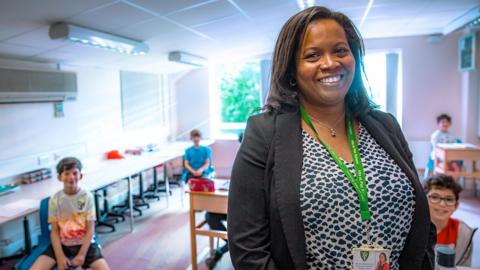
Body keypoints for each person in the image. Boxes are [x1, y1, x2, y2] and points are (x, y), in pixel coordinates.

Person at [228, 6, 435, 270]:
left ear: (354, 57)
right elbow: (248, 249)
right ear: (292, 68)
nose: (330, 63)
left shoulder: (385, 125)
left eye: (340, 50)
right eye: (313, 55)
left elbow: (421, 222)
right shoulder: (264, 133)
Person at [31, 157, 110, 270]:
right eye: (66, 173)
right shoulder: (55, 199)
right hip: (62, 245)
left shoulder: (87, 197)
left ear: (80, 176)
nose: (71, 177)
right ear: (60, 177)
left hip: (86, 245)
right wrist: (60, 257)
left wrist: (82, 254)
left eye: (75, 173)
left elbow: (90, 229)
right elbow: (54, 232)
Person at [424, 174, 476, 266]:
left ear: (456, 205)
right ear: (424, 201)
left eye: (449, 199)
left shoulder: (464, 233)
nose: (442, 204)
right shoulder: (414, 229)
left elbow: (464, 266)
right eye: (435, 197)